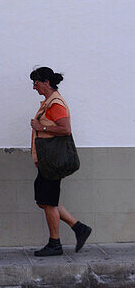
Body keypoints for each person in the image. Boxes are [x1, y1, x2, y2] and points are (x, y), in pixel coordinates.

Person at [30, 67, 91, 257]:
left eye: (36, 83)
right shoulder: (50, 102)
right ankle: (78, 227)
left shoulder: (55, 103)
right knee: (45, 201)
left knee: (48, 202)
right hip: (48, 161)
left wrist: (40, 126)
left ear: (46, 82)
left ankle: (55, 243)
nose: (34, 87)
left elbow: (65, 129)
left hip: (52, 162)